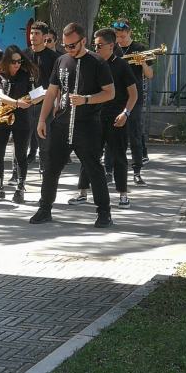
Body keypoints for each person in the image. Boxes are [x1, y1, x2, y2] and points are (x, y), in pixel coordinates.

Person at [30, 23, 115, 227]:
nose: (68, 49)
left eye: (72, 45)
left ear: (83, 41)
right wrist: (42, 119)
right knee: (51, 168)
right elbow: (51, 92)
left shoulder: (98, 63)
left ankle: (104, 213)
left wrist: (86, 99)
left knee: (94, 168)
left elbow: (109, 93)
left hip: (87, 125)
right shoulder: (61, 60)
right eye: (65, 45)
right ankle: (45, 208)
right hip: (61, 124)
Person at [68, 28, 137, 209]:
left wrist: (125, 113)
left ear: (111, 46)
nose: (96, 49)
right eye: (95, 45)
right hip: (95, 118)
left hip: (116, 118)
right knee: (89, 155)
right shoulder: (92, 63)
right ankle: (83, 192)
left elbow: (133, 95)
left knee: (118, 157)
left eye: (99, 46)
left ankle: (123, 195)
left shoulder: (122, 65)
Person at [0, 46, 38, 204]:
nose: (17, 64)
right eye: (13, 61)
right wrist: (17, 103)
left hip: (22, 119)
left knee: (21, 155)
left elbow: (35, 93)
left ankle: (20, 188)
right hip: (3, 116)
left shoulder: (26, 75)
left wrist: (36, 98)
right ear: (7, 61)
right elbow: (0, 95)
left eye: (19, 61)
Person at [112, 19, 153, 185]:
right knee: (113, 133)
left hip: (134, 96)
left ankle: (137, 171)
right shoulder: (112, 48)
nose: (120, 40)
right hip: (114, 96)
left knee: (134, 134)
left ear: (130, 33)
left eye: (122, 36)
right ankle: (111, 169)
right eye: (117, 36)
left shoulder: (140, 48)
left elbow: (150, 75)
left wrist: (142, 61)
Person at [25, 21, 62, 174]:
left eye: (37, 33)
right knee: (22, 140)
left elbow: (59, 84)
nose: (33, 36)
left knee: (44, 141)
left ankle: (45, 170)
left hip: (45, 103)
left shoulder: (54, 58)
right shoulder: (23, 55)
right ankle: (17, 173)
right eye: (31, 33)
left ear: (45, 36)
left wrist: (58, 104)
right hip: (25, 103)